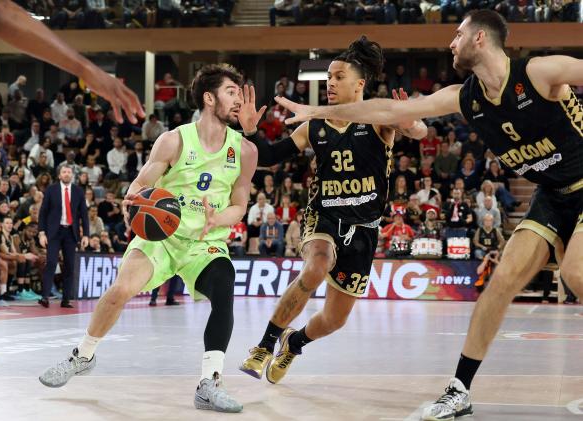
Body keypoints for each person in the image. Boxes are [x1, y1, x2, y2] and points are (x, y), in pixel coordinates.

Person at [275, 10, 582, 420]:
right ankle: (459, 390)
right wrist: (316, 113)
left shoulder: (541, 71)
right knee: (501, 282)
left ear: (479, 39)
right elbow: (386, 112)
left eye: (457, 35)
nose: (450, 43)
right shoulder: (464, 96)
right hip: (551, 194)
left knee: (575, 272)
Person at [39, 63, 262, 413]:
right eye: (231, 92)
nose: (239, 100)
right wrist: (139, 198)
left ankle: (209, 383)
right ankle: (83, 355)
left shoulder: (245, 151)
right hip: (162, 234)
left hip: (205, 242)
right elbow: (140, 186)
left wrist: (218, 218)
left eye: (240, 92)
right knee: (120, 291)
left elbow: (240, 205)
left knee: (225, 288)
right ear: (208, 98)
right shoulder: (173, 140)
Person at [239, 37, 426, 384]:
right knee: (317, 265)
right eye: (328, 78)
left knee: (335, 319)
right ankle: (263, 346)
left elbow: (419, 130)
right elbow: (267, 158)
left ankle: (293, 343)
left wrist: (411, 124)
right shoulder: (314, 125)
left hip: (365, 226)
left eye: (338, 77)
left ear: (360, 84)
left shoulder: (377, 120)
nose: (330, 83)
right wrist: (250, 130)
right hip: (323, 215)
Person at [38, 164, 90, 308]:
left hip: (70, 233)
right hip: (54, 232)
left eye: (69, 172)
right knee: (51, 263)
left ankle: (66, 299)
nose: (67, 174)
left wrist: (86, 234)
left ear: (72, 175)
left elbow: (84, 215)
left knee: (69, 266)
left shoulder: (78, 191)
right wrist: (41, 232)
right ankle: (45, 297)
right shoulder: (51, 190)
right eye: (64, 172)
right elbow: (43, 212)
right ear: (59, 175)